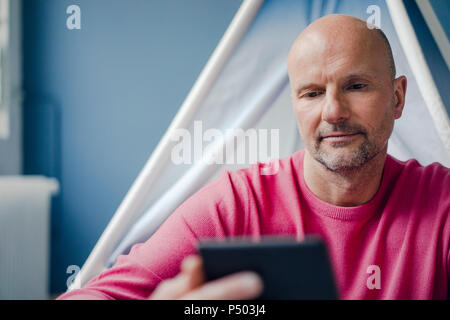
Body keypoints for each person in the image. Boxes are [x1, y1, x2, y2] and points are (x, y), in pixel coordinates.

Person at [57, 14, 449, 300]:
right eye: (312, 93)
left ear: (397, 97)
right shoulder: (235, 204)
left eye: (357, 85)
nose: (332, 111)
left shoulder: (441, 202)